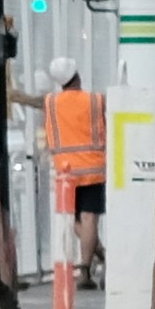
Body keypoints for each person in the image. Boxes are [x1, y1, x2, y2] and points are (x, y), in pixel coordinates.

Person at [47, 68, 108, 278]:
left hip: (65, 172)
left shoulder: (51, 103)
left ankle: (97, 255)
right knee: (89, 217)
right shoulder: (95, 100)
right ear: (78, 78)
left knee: (72, 219)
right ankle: (86, 268)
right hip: (92, 170)